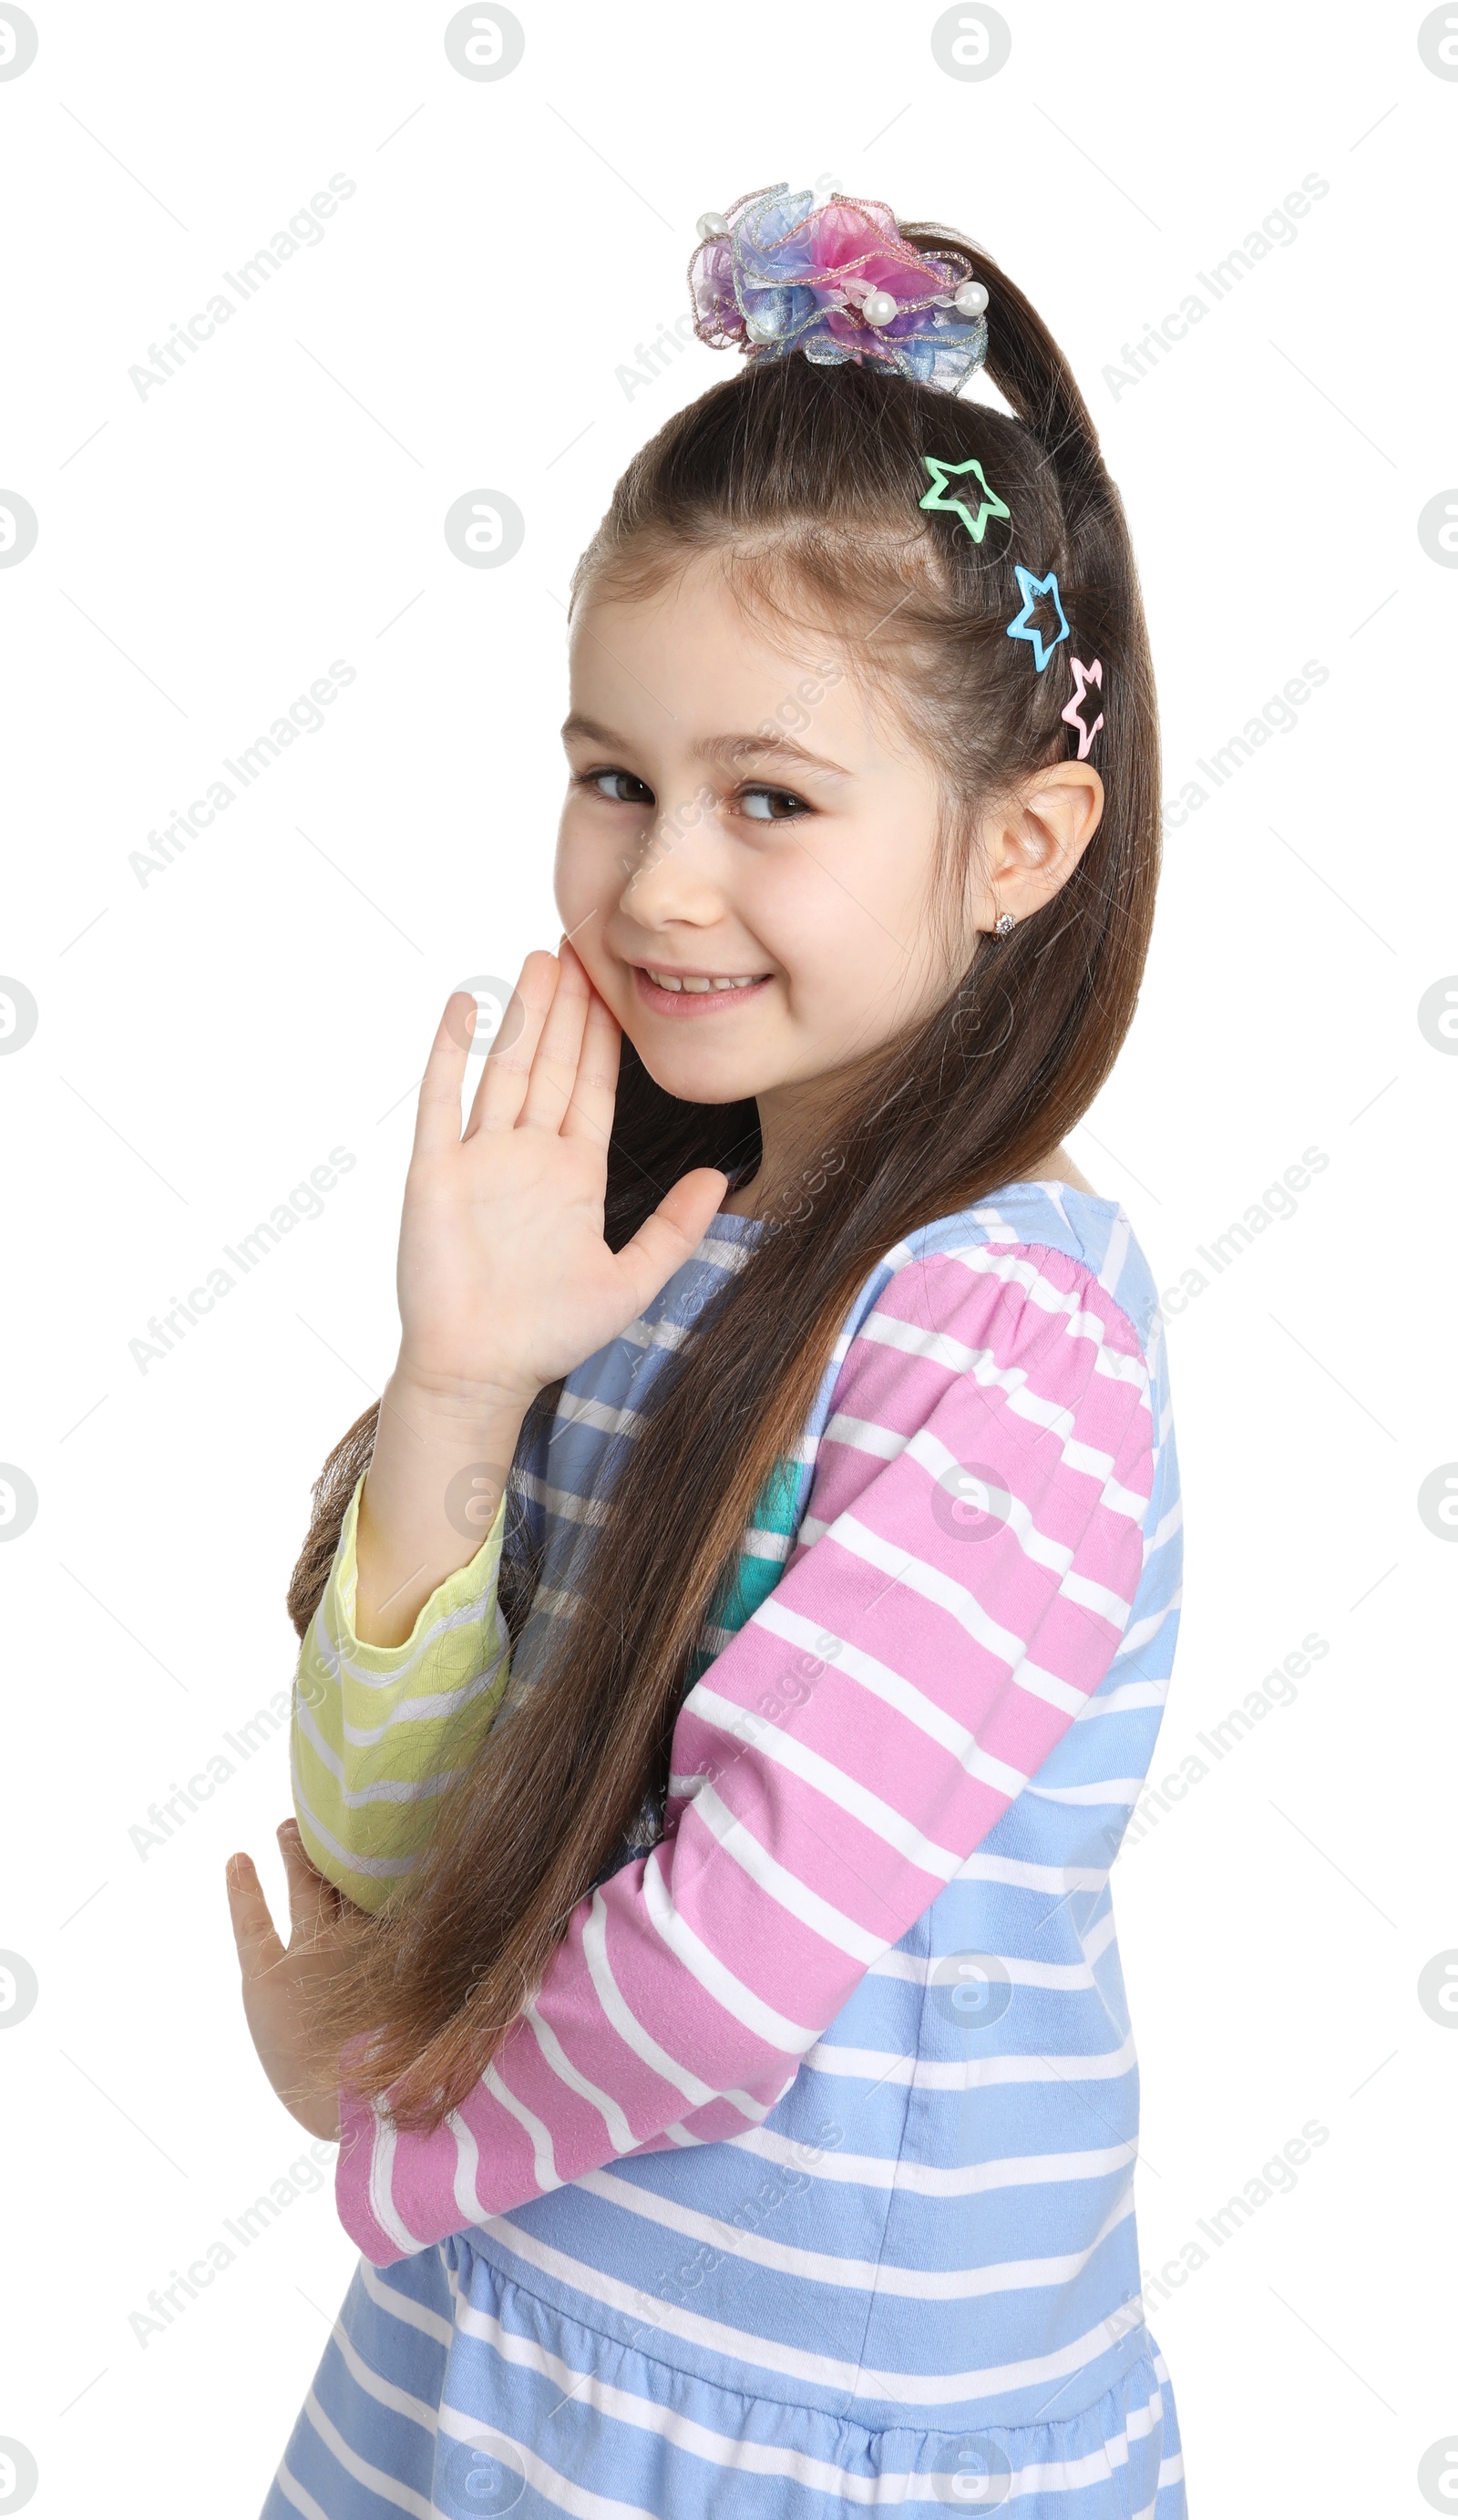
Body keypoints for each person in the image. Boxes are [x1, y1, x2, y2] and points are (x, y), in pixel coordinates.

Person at [226, 182, 1187, 2517]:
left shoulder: (1006, 1320)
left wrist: (379, 2095)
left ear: (1018, 841)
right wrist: (456, 1384)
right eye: (613, 778)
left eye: (770, 800)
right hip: (490, 2343)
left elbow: (733, 1962)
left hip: (801, 2439)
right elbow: (409, 1843)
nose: (660, 879)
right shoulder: (639, 1246)